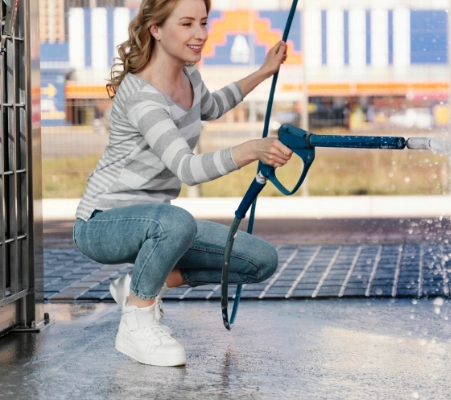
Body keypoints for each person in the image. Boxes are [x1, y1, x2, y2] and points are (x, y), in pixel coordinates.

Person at [72, 0, 292, 367]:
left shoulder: (189, 75)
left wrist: (265, 71)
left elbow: (213, 106)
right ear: (155, 29)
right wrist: (253, 148)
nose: (201, 34)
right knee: (177, 222)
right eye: (187, 24)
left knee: (259, 261)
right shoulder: (141, 94)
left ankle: (141, 285)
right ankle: (136, 324)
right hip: (102, 222)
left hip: (158, 223)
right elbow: (187, 169)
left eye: (204, 22)